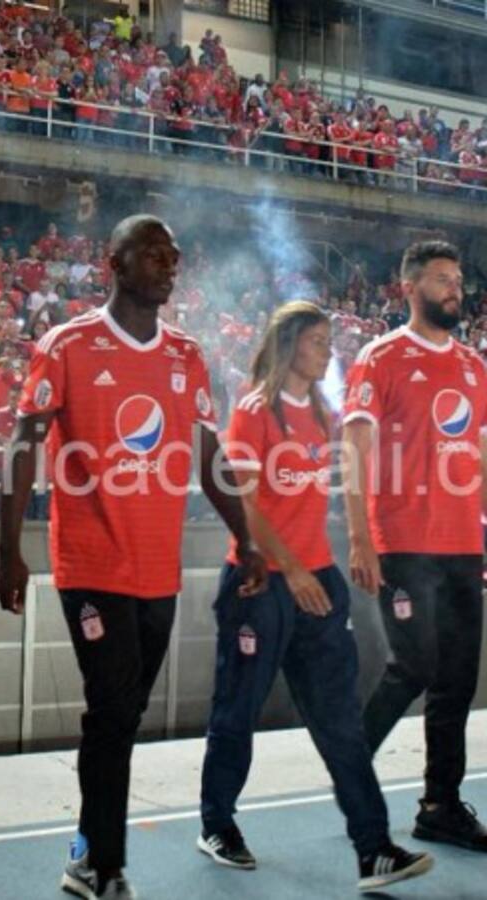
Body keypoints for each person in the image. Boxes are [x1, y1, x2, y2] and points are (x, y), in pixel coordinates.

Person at [0, 215, 268, 900]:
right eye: (153, 252)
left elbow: (209, 456)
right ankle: (104, 866)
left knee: (122, 714)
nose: (169, 263)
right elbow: (24, 445)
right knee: (112, 708)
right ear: (114, 262)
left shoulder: (185, 354)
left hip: (156, 568)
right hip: (90, 563)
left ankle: (87, 848)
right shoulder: (68, 345)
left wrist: (249, 537)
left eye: (174, 253)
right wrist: (9, 548)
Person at [197, 302, 433, 891]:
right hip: (261, 585)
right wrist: (292, 569)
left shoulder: (325, 413)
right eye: (318, 341)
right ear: (289, 345)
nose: (328, 349)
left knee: (339, 722)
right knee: (238, 712)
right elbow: (245, 501)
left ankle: (373, 848)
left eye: (331, 340)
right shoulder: (254, 411)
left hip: (317, 581)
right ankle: (217, 823)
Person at [343, 240, 487, 852]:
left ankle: (440, 804)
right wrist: (359, 538)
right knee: (414, 667)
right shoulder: (381, 358)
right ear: (408, 288)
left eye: (458, 279)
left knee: (456, 679)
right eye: (440, 279)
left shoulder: (476, 367)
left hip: (462, 545)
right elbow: (353, 449)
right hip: (402, 541)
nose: (455, 288)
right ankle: (347, 768)